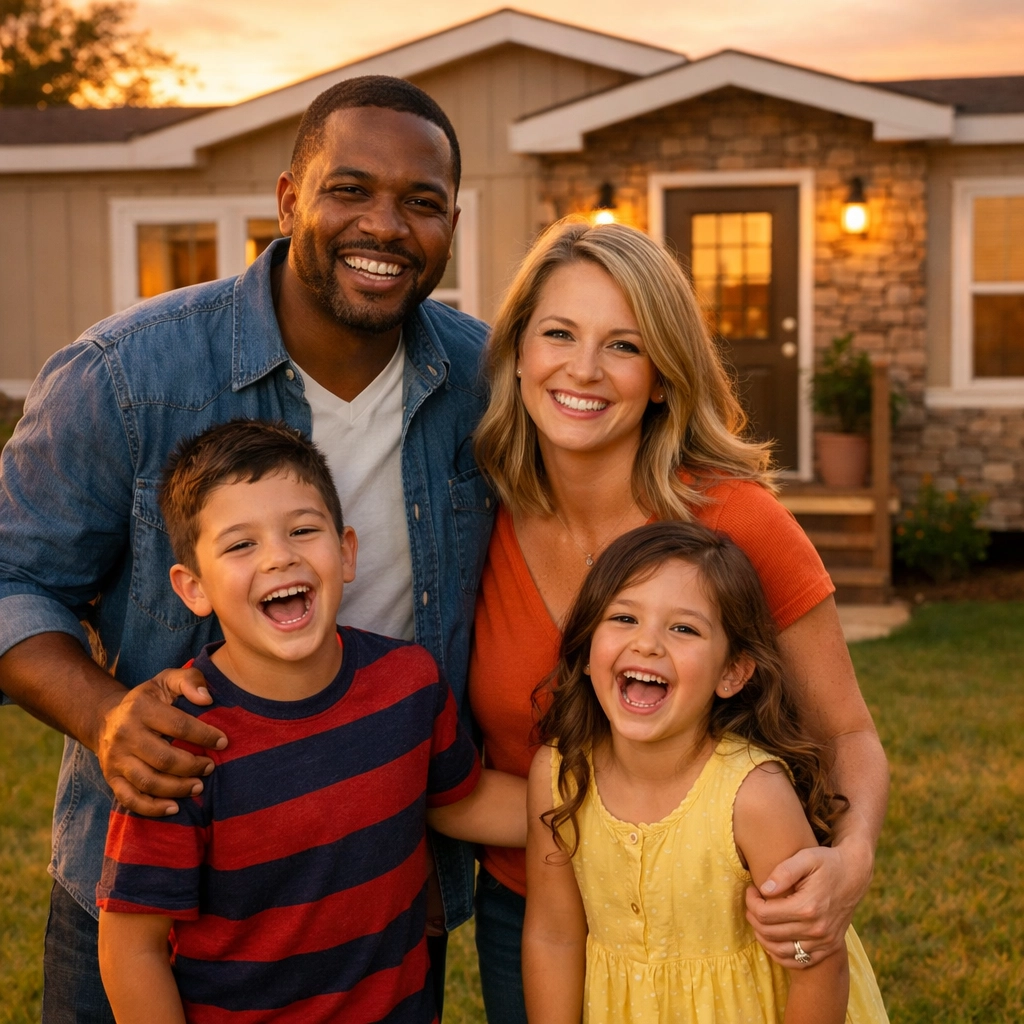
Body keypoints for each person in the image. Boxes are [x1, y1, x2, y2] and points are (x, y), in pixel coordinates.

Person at [0, 76, 491, 1023]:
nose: (386, 226)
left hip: (370, 904)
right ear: (288, 201)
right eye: (350, 189)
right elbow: (13, 576)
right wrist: (107, 716)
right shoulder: (128, 374)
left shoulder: (482, 378)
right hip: (156, 910)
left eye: (422, 203)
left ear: (452, 224)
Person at [468, 219, 889, 1022]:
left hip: (727, 937)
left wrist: (851, 859)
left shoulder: (737, 521)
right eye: (559, 333)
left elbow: (848, 733)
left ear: (662, 377)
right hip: (536, 915)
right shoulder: (475, 519)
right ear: (519, 351)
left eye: (624, 346)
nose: (582, 369)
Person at [96, 420, 524, 1024]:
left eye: (302, 530)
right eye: (240, 544)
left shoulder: (408, 683)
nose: (280, 556)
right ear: (193, 587)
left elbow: (458, 801)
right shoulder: (177, 743)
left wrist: (599, 799)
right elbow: (131, 947)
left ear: (346, 552)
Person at [522, 521, 889, 1024]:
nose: (648, 644)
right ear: (587, 650)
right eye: (625, 618)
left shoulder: (753, 796)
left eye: (683, 628)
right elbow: (553, 935)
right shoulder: (559, 775)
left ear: (732, 672)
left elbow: (817, 964)